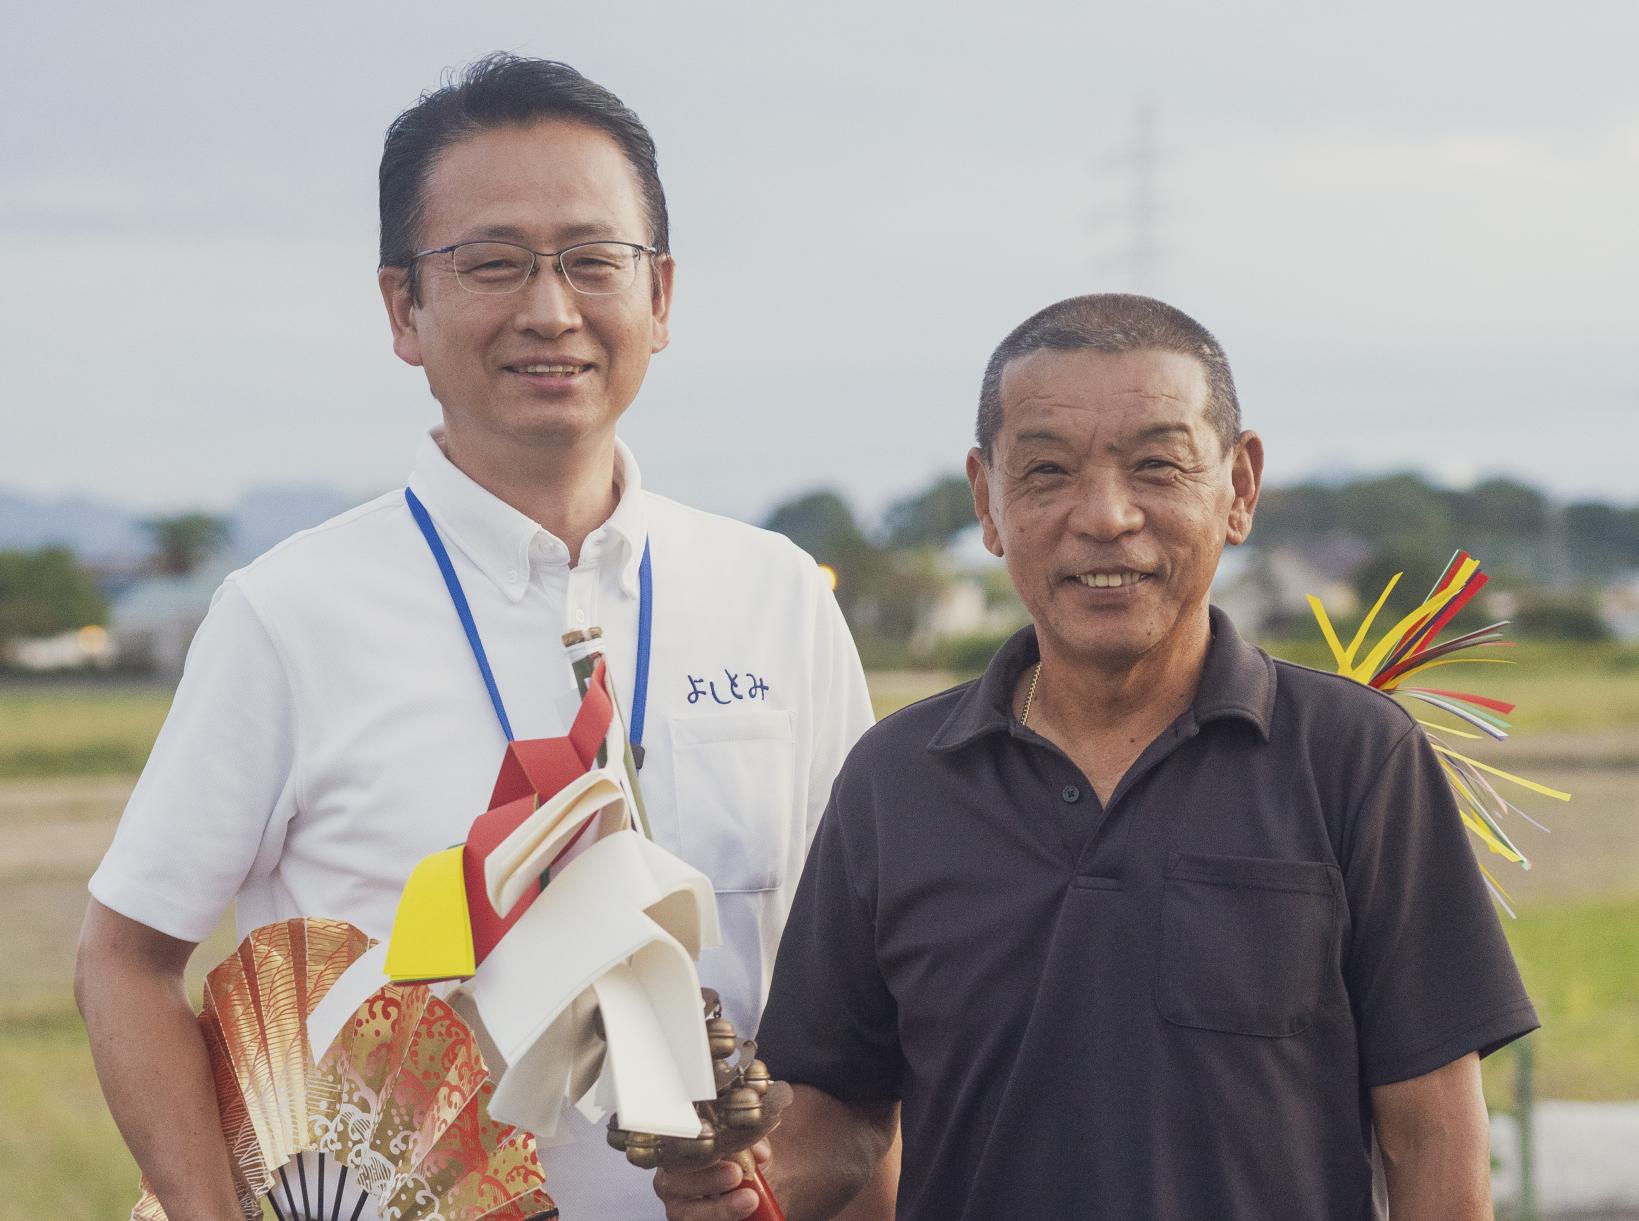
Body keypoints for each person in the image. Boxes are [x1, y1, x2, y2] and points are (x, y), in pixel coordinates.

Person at [77, 54, 895, 1220]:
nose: (549, 309)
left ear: (660, 298)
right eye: (491, 263)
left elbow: (852, 1017)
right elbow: (124, 957)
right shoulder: (289, 612)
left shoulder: (776, 596)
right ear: (402, 308)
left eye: (590, 261)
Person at [656, 293, 1537, 1221]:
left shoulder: (1354, 759)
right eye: (1045, 471)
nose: (1106, 516)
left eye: (1157, 464)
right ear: (986, 501)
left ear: (1239, 486)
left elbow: (1430, 1130)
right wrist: (745, 1184)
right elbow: (841, 1110)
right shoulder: (896, 778)